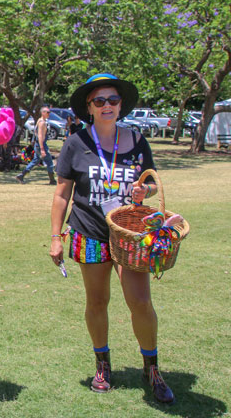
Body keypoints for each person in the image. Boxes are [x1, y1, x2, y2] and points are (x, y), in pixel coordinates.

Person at [49, 73, 174, 404]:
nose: (107, 106)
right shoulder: (76, 143)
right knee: (97, 301)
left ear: (121, 106)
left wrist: (143, 189)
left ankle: (152, 368)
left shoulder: (136, 139)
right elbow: (62, 194)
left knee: (140, 301)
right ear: (89, 107)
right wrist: (55, 236)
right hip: (89, 231)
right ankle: (102, 364)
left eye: (113, 100)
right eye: (100, 101)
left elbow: (152, 184)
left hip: (130, 235)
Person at [15, 106, 56, 185]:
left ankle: (21, 175)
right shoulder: (42, 123)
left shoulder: (40, 121)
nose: (49, 114)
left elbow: (36, 134)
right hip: (41, 144)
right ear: (43, 113)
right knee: (49, 162)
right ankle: (52, 180)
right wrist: (42, 148)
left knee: (35, 160)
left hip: (38, 144)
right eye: (47, 112)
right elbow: (40, 135)